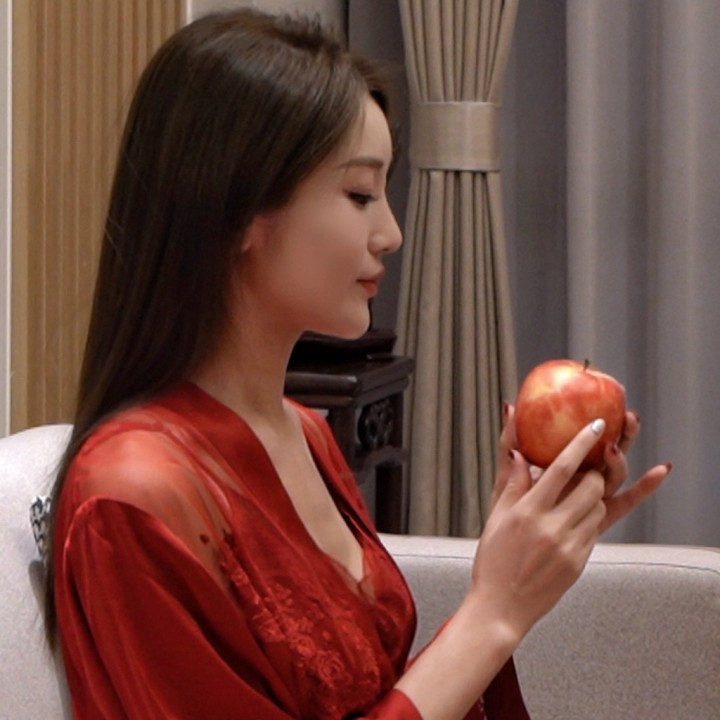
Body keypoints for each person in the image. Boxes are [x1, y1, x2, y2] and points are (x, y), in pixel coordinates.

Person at [43, 9, 670, 720]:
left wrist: (515, 566)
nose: (391, 234)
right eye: (360, 194)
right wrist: (494, 613)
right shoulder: (132, 496)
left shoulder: (305, 432)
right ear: (238, 210)